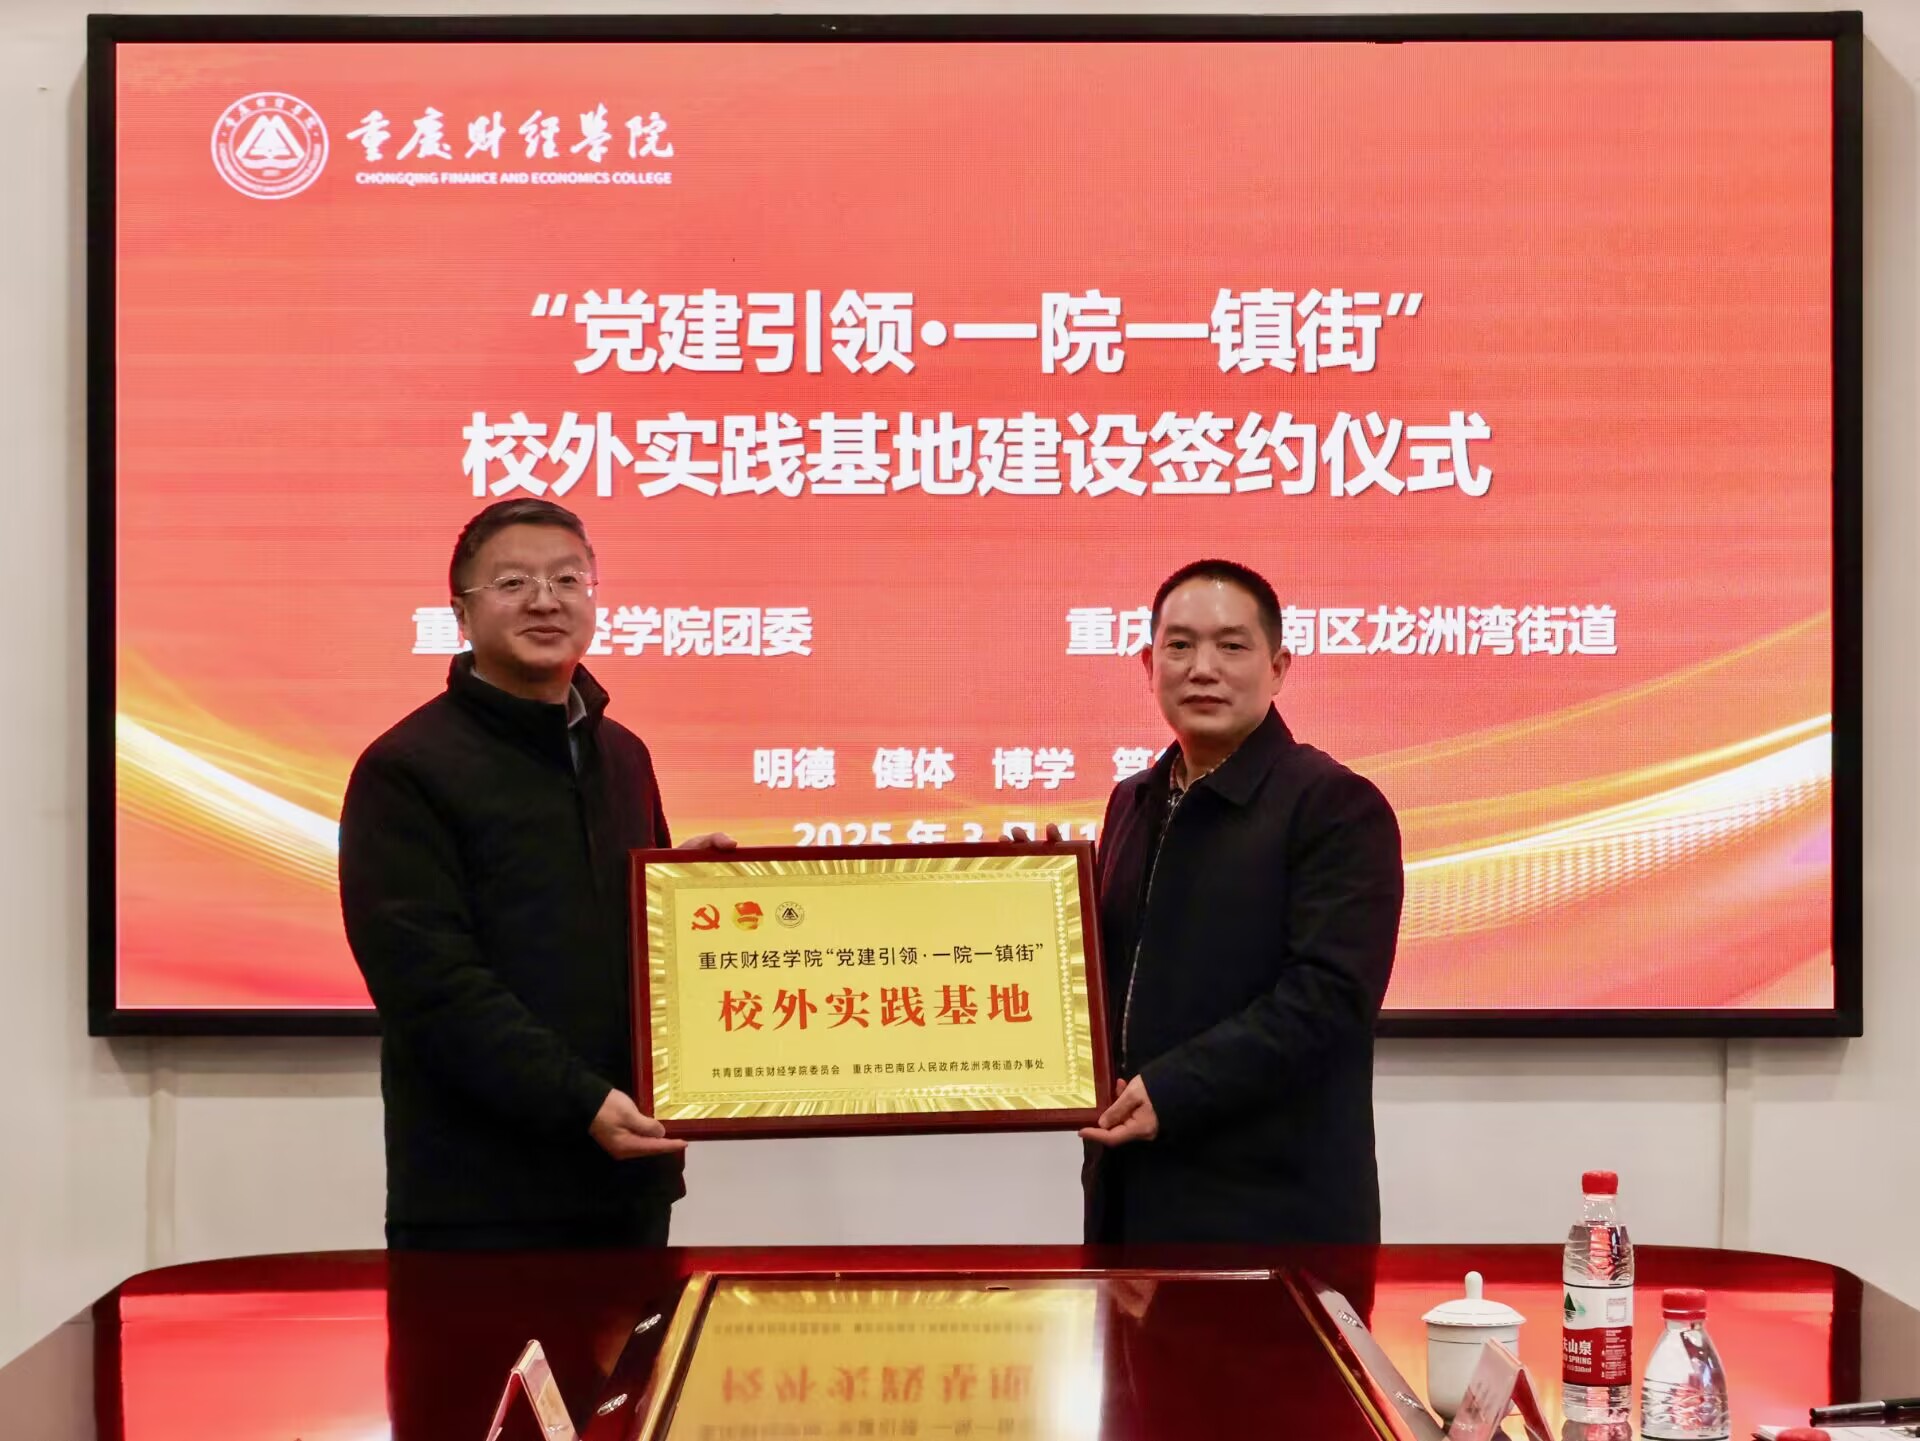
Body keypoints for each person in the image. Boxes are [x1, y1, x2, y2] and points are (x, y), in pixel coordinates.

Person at [339, 497, 731, 1250]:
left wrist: (685, 901)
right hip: (480, 1196)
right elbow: (430, 985)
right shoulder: (407, 768)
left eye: (568, 579)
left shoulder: (624, 754)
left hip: (629, 1177)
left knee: (641, 1338)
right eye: (513, 582)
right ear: (461, 614)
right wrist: (579, 1100)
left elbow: (612, 935)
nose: (546, 600)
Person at [1079, 559, 1404, 1244]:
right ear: (1148, 665)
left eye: (1231, 645)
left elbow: (1327, 1000)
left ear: (1278, 667)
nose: (1203, 668)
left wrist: (1173, 1088)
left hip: (1271, 1212)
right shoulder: (1132, 801)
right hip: (1130, 1200)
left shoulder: (1334, 806)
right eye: (1179, 645)